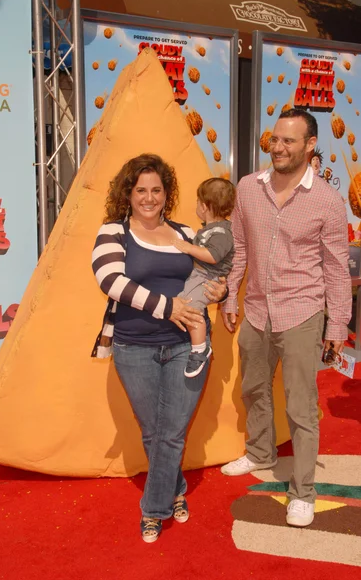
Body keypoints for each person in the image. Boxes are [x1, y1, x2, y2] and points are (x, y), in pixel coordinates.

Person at [220, 109, 352, 528]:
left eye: (288, 141)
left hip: (301, 313)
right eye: (275, 139)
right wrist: (230, 297)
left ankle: (303, 491)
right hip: (256, 309)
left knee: (301, 406)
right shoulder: (247, 188)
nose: (277, 147)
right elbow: (239, 248)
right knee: (254, 390)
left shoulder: (328, 202)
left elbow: (336, 270)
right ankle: (260, 452)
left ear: (310, 145)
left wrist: (336, 327)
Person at [92, 153, 226, 543]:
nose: (149, 198)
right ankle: (175, 489)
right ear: (128, 195)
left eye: (156, 190)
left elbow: (211, 274)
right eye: (140, 191)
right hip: (134, 347)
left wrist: (220, 290)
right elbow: (110, 281)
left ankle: (153, 510)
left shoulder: (187, 234)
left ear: (167, 194)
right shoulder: (112, 232)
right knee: (154, 431)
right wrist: (169, 308)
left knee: (170, 433)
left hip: (189, 345)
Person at [172, 177, 235, 378]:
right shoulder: (210, 229)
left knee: (193, 307)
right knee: (186, 302)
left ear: (205, 206)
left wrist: (189, 247)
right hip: (199, 274)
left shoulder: (222, 232)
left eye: (198, 201)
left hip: (209, 277)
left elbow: (213, 256)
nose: (197, 206)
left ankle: (200, 349)